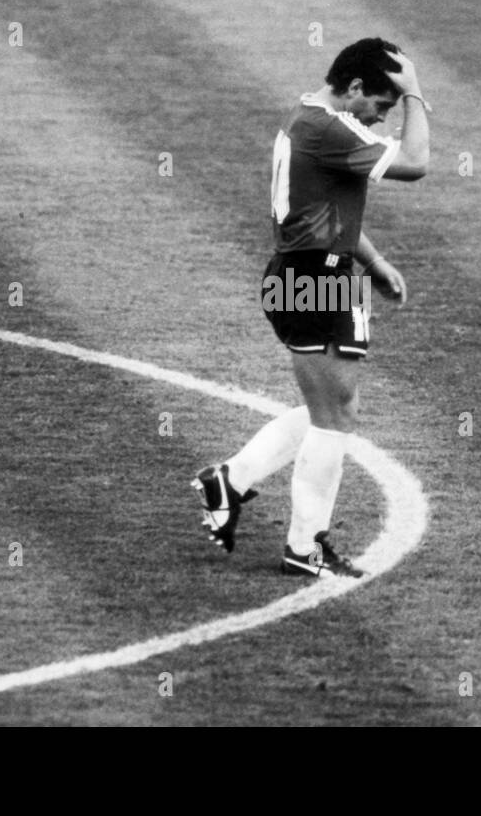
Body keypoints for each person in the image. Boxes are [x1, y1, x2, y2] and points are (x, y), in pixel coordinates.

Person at [191, 37, 430, 578]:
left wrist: (373, 261)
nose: (380, 118)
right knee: (333, 418)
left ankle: (232, 480)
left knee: (338, 412)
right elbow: (416, 163)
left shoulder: (311, 116)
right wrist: (415, 93)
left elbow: (328, 202)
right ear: (352, 89)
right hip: (310, 280)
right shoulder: (327, 126)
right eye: (380, 105)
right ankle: (303, 547)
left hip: (320, 273)